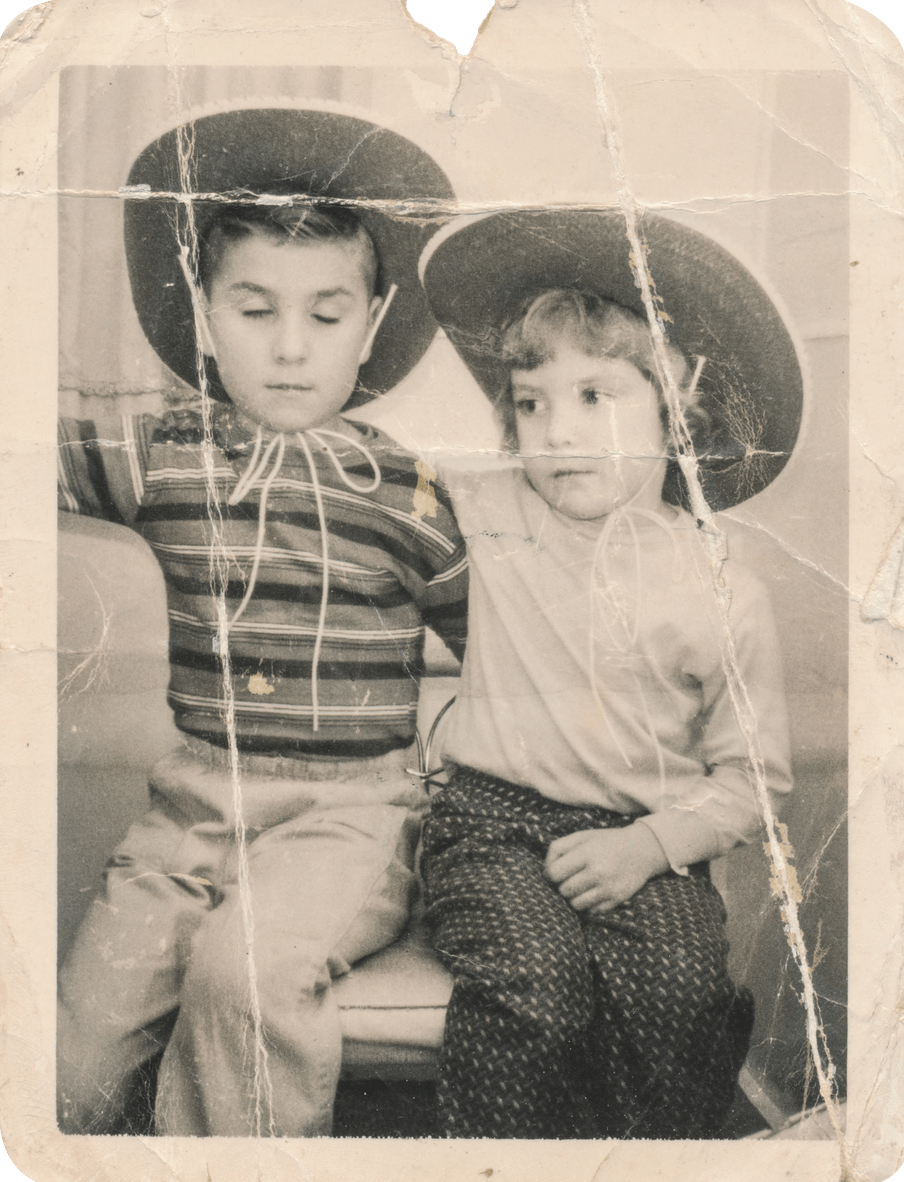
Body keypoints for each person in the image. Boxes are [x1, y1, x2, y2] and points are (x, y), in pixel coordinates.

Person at [56, 107, 466, 1138]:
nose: (289, 350)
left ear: (371, 323)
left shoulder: (410, 495)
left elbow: (510, 660)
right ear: (202, 312)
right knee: (76, 1057)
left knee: (242, 984)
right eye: (252, 309)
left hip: (352, 820)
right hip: (190, 813)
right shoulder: (162, 454)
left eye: (326, 317)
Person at [417, 209, 802, 1139]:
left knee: (680, 994)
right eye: (531, 400)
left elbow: (755, 782)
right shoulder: (484, 510)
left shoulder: (722, 588)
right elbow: (360, 486)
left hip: (646, 836)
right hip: (488, 825)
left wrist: (648, 847)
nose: (557, 432)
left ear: (677, 396)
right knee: (534, 986)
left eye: (596, 395)